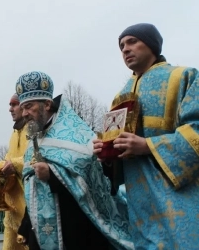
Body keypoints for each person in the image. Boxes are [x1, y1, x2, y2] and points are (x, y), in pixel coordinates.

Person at [93, 23, 199, 249]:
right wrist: (106, 154)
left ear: (151, 45)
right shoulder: (120, 96)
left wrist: (148, 146)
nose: (125, 49)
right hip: (139, 200)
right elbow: (117, 153)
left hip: (179, 194)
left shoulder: (184, 76)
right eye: (121, 45)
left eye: (132, 41)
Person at [15, 71, 133, 250]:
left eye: (29, 106)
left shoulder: (77, 136)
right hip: (39, 234)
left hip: (76, 231)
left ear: (47, 104)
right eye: (22, 108)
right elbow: (33, 189)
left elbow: (95, 184)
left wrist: (52, 175)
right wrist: (25, 227)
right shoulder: (33, 142)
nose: (24, 113)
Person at [0, 93, 29, 250]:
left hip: (27, 210)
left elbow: (37, 159)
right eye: (10, 105)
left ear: (25, 106)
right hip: (11, 209)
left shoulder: (33, 130)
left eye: (14, 104)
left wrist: (15, 164)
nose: (10, 109)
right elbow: (7, 161)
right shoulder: (14, 133)